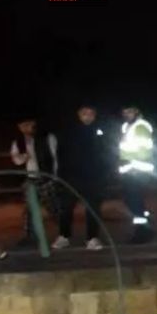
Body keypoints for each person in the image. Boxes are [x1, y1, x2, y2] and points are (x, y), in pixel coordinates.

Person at [55, 103, 109, 251]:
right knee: (66, 207)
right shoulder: (68, 131)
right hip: (71, 176)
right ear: (79, 114)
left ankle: (92, 238)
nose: (88, 116)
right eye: (85, 113)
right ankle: (64, 236)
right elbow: (61, 153)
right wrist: (61, 174)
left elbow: (107, 153)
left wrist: (104, 174)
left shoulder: (100, 131)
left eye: (91, 113)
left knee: (93, 208)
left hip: (94, 178)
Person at [9, 113, 58, 246]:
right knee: (30, 210)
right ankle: (30, 237)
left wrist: (54, 176)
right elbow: (16, 160)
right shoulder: (18, 141)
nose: (25, 128)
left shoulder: (47, 137)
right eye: (22, 126)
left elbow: (55, 157)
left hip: (47, 177)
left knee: (54, 207)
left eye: (28, 124)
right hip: (30, 178)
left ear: (34, 124)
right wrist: (22, 158)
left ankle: (64, 232)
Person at [118, 104, 155, 243]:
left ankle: (143, 231)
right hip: (130, 169)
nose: (127, 114)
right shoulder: (126, 126)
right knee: (131, 200)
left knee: (134, 200)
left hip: (137, 169)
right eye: (125, 111)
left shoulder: (140, 126)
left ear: (136, 112)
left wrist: (133, 166)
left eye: (130, 111)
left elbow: (144, 149)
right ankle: (146, 223)